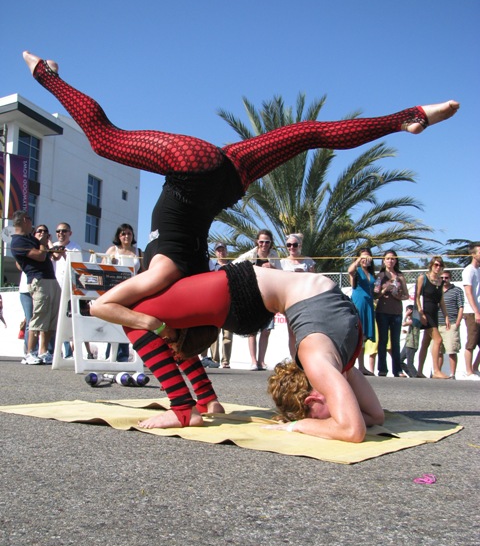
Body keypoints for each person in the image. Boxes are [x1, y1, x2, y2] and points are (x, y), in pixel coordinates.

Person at [23, 51, 459, 411]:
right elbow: (123, 315)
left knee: (308, 135)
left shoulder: (166, 277)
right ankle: (408, 117)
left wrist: (155, 327)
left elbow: (105, 308)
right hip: (208, 170)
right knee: (107, 140)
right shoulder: (171, 275)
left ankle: (410, 117)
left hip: (219, 176)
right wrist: (162, 331)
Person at [120, 264, 385, 442]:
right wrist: (324, 422)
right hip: (276, 290)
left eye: (323, 416)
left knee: (144, 312)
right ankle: (197, 400)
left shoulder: (320, 364)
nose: (335, 414)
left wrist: (297, 425)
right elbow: (372, 417)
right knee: (153, 315)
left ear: (312, 400)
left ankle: (186, 406)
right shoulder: (329, 365)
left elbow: (350, 428)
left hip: (256, 288)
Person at [10, 211, 61, 365]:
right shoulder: (18, 241)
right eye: (31, 220)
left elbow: (49, 255)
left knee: (51, 317)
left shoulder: (30, 239)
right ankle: (30, 353)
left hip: (51, 279)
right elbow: (39, 255)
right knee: (39, 316)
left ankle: (44, 352)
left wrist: (46, 245)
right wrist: (43, 243)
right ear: (25, 220)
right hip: (39, 281)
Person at [234, 230, 281, 370]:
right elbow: (235, 264)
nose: (264, 244)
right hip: (253, 295)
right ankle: (253, 361)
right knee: (252, 330)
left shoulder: (274, 256)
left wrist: (272, 267)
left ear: (271, 243)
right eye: (261, 242)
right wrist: (250, 270)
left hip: (269, 296)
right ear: (257, 242)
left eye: (267, 242)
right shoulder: (250, 255)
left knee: (266, 330)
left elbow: (282, 273)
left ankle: (262, 360)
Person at [103, 223, 143, 362]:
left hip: (133, 291)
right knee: (114, 321)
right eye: (123, 234)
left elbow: (143, 272)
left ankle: (123, 355)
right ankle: (111, 354)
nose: (126, 236)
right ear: (119, 237)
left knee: (127, 321)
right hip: (115, 290)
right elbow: (103, 268)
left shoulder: (139, 252)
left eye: (129, 233)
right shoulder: (112, 250)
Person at [50, 221, 88, 359]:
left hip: (69, 290)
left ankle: (69, 352)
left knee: (68, 321)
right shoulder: (52, 246)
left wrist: (64, 254)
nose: (61, 233)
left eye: (64, 231)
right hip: (55, 287)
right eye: (58, 231)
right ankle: (53, 351)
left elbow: (76, 266)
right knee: (54, 320)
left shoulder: (75, 247)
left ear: (70, 233)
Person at [374, 250, 409, 377]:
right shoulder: (380, 276)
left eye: (393, 258)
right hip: (382, 311)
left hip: (396, 312)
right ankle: (382, 369)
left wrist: (398, 295)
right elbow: (375, 294)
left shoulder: (400, 276)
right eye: (388, 258)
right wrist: (384, 290)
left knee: (395, 341)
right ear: (384, 260)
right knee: (383, 340)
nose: (390, 261)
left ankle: (397, 370)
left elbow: (406, 295)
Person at [415, 256, 451, 379]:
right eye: (436, 265)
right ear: (431, 265)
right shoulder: (423, 278)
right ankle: (436, 370)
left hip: (435, 312)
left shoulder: (440, 282)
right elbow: (417, 296)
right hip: (426, 312)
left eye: (440, 265)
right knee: (438, 340)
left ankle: (419, 371)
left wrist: (446, 316)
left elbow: (441, 300)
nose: (438, 267)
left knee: (426, 342)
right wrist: (420, 312)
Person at [280, 233, 315, 358]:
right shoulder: (282, 262)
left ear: (299, 245)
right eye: (289, 245)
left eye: (294, 245)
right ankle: (295, 360)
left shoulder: (308, 261)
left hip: (306, 299)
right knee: (292, 332)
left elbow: (314, 280)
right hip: (290, 300)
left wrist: (304, 275)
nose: (291, 247)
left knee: (307, 332)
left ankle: (306, 358)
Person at [205, 242, 234, 368]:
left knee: (228, 334)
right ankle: (215, 360)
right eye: (218, 250)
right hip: (216, 302)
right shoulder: (213, 266)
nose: (221, 252)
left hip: (230, 303)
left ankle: (226, 360)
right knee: (215, 333)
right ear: (215, 252)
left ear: (226, 251)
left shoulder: (232, 266)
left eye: (223, 250)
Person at [348, 247, 376, 375]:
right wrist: (359, 260)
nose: (366, 260)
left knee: (363, 337)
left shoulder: (370, 273)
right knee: (356, 334)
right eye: (363, 257)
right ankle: (350, 364)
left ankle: (362, 366)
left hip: (369, 304)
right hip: (358, 303)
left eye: (368, 257)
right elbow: (350, 270)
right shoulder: (357, 270)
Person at [437, 269, 464, 378]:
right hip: (438, 324)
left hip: (451, 324)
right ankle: (438, 372)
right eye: (442, 278)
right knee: (438, 351)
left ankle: (452, 374)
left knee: (452, 350)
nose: (444, 280)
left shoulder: (457, 290)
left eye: (446, 278)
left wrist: (457, 323)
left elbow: (461, 307)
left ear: (450, 278)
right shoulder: (437, 291)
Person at [461, 242, 480, 380]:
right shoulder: (468, 270)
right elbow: (468, 293)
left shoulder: (478, 270)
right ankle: (468, 372)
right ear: (473, 254)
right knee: (471, 343)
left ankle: (474, 368)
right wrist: (476, 311)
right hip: (471, 311)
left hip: (478, 310)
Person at [400, 305, 420, 377]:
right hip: (408, 343)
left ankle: (415, 376)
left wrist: (406, 315)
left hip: (412, 344)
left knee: (409, 363)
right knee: (399, 360)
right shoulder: (412, 320)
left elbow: (403, 324)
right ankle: (411, 374)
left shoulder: (415, 320)